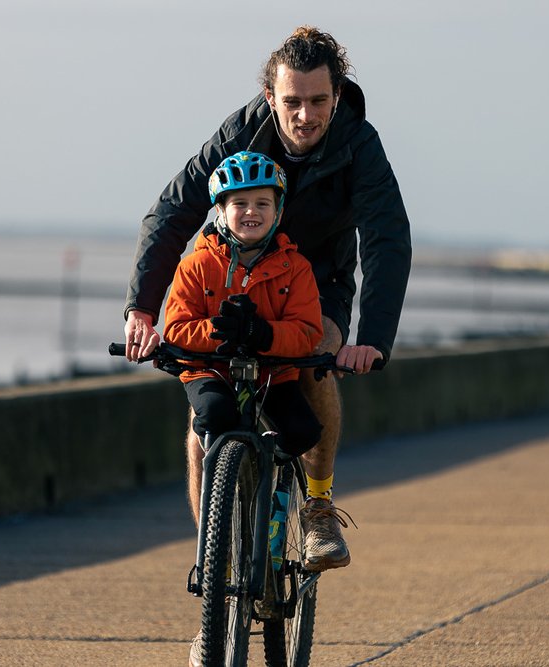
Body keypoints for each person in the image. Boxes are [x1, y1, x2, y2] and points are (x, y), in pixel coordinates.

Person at [124, 25, 411, 574]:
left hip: (317, 280)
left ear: (338, 94)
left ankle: (319, 509)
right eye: (293, 102)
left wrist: (371, 338)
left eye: (319, 101)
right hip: (235, 276)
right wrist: (141, 307)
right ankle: (213, 559)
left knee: (314, 363)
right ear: (269, 99)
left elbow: (387, 238)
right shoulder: (241, 131)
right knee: (201, 408)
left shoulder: (358, 144)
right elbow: (174, 211)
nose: (306, 116)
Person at [164, 151, 325, 465]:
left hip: (272, 373)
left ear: (278, 211)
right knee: (215, 413)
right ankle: (217, 480)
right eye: (239, 204)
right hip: (210, 369)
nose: (251, 212)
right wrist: (219, 330)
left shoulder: (296, 268)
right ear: (221, 210)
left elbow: (306, 332)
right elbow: (175, 328)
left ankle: (274, 477)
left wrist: (261, 334)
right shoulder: (195, 266)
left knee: (303, 432)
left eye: (262, 203)